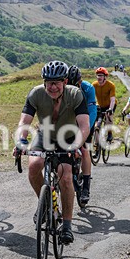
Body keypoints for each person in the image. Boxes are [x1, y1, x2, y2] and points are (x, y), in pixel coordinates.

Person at [14, 61, 90, 244]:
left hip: (68, 138)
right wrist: (21, 141)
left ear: (65, 82)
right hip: (45, 135)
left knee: (65, 176)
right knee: (34, 166)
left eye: (56, 83)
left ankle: (67, 225)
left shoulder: (75, 94)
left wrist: (76, 145)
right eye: (49, 83)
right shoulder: (36, 93)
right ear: (44, 82)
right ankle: (45, 203)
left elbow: (84, 125)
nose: (53, 87)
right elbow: (24, 122)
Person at [67, 65, 95, 207]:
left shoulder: (88, 88)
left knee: (84, 150)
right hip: (70, 121)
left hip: (86, 120)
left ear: (80, 81)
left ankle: (85, 187)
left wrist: (85, 130)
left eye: (76, 84)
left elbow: (92, 111)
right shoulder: (64, 88)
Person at [92, 67, 116, 143]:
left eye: (101, 75)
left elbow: (112, 99)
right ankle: (97, 143)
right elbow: (91, 97)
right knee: (97, 122)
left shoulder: (110, 85)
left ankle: (109, 133)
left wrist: (110, 109)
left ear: (105, 77)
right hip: (100, 105)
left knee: (108, 117)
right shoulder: (94, 85)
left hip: (110, 104)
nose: (99, 77)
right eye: (98, 75)